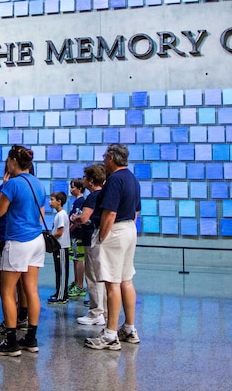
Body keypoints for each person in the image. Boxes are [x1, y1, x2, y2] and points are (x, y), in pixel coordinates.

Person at [0, 145, 46, 357]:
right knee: (31, 289)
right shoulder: (38, 184)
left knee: (7, 290)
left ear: (13, 161)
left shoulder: (12, 184)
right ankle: (31, 338)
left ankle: (11, 341)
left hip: (18, 240)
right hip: (37, 240)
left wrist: (3, 188)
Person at [85, 144, 142, 351]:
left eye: (104, 156)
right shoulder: (133, 179)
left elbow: (109, 213)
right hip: (129, 229)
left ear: (111, 158)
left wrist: (101, 237)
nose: (103, 160)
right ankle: (129, 328)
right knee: (126, 280)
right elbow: (136, 212)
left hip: (115, 230)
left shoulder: (115, 180)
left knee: (112, 283)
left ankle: (110, 334)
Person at [72, 164, 106, 327]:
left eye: (85, 177)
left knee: (92, 276)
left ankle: (96, 312)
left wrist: (75, 219)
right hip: (102, 237)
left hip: (92, 237)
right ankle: (102, 311)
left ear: (91, 180)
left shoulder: (92, 197)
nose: (83, 180)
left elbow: (84, 218)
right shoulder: (104, 194)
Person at [46, 191, 70, 305]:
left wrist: (49, 236)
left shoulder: (61, 215)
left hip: (62, 246)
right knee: (58, 271)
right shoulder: (58, 215)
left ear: (59, 202)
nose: (50, 202)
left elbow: (60, 232)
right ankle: (58, 292)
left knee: (62, 272)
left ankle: (62, 296)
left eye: (52, 199)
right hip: (57, 247)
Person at [67, 179, 88, 298]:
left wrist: (69, 230)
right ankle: (76, 282)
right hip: (75, 235)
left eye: (73, 187)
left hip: (78, 234)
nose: (71, 189)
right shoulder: (77, 201)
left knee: (79, 259)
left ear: (79, 188)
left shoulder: (80, 202)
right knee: (75, 258)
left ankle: (80, 285)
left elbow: (77, 219)